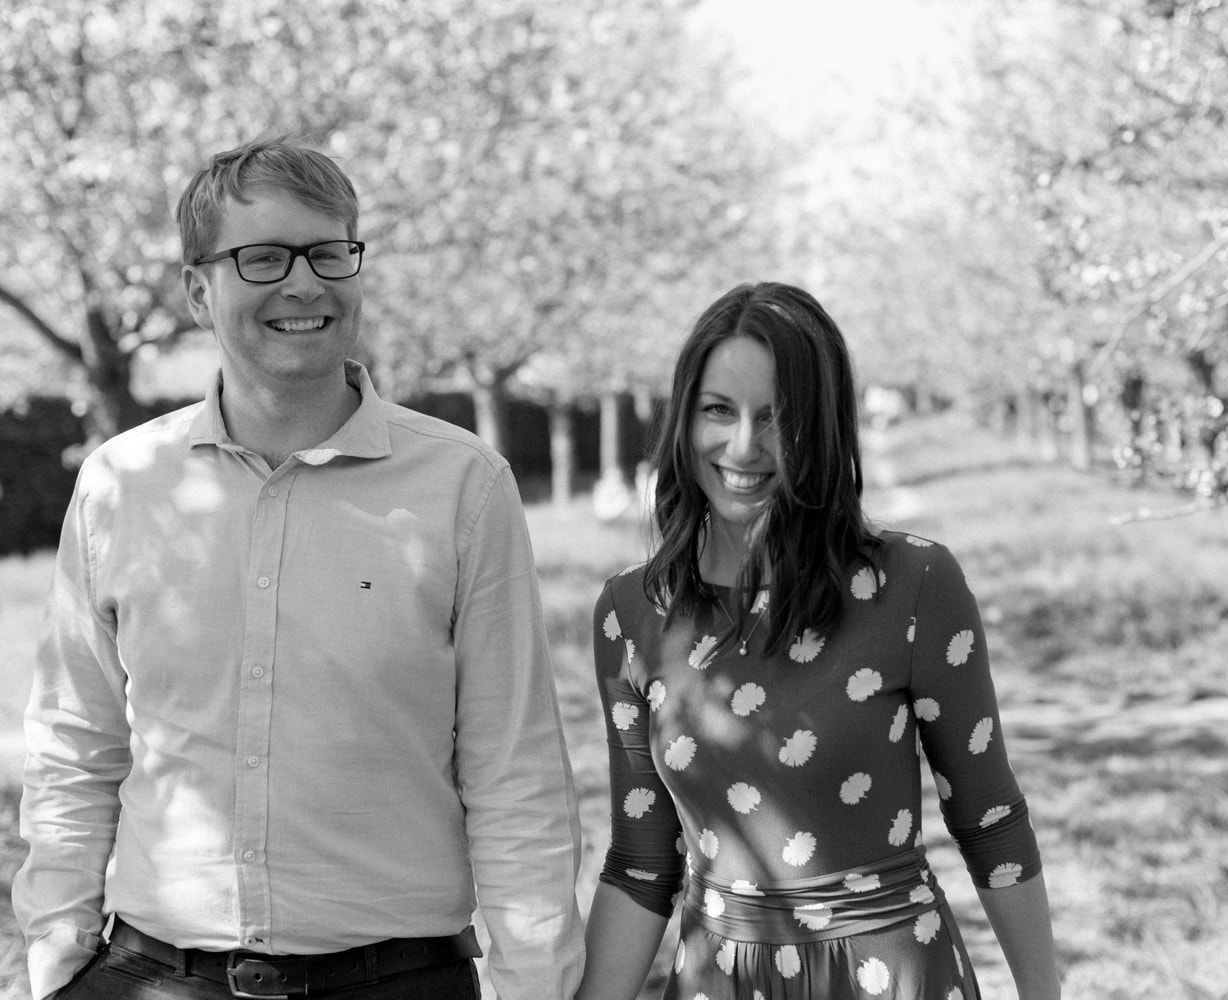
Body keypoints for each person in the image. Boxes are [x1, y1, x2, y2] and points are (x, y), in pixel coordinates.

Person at [12, 137, 585, 1000]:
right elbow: (75, 744)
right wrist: (57, 958)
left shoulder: (465, 486)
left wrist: (535, 985)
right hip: (151, 976)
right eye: (263, 257)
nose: (305, 283)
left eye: (328, 252)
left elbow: (516, 771)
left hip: (398, 982)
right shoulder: (120, 486)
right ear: (198, 290)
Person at [576, 282, 1061, 1000]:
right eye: (719, 410)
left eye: (777, 418)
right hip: (719, 982)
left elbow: (990, 821)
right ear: (684, 419)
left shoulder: (916, 585)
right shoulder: (630, 612)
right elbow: (643, 862)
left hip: (894, 976)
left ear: (823, 427)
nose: (743, 446)